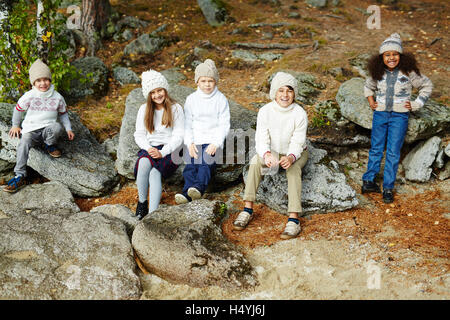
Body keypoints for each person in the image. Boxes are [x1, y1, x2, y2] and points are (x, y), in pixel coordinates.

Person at [233, 72, 308, 240]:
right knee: (255, 162)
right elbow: (261, 138)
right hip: (273, 151)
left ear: (294, 93)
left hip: (296, 152)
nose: (285, 95)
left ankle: (293, 219)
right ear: (274, 92)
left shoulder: (299, 113)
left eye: (289, 90)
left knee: (294, 171)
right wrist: (266, 154)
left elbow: (298, 141)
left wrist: (290, 157)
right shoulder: (265, 111)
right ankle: (247, 209)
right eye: (281, 90)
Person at [362, 33, 433, 203]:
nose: (391, 58)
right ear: (382, 58)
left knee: (393, 151)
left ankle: (387, 187)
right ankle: (368, 181)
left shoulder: (409, 73)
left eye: (395, 54)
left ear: (401, 56)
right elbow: (368, 86)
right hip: (380, 114)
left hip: (399, 116)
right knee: (376, 147)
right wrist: (371, 101)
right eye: (387, 55)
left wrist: (416, 104)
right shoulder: (378, 72)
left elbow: (427, 85)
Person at [3, 59, 74, 193]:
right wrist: (15, 125)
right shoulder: (29, 96)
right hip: (32, 130)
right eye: (38, 80)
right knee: (23, 143)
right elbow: (18, 109)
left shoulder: (57, 97)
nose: (43, 83)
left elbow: (63, 113)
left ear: (50, 80)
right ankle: (20, 175)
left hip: (48, 131)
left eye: (45, 79)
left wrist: (68, 128)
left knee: (56, 127)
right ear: (33, 83)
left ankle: (49, 145)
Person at [174, 59, 230, 204]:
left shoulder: (220, 99)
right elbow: (187, 123)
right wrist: (189, 143)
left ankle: (198, 188)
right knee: (190, 166)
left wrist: (216, 143)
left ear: (215, 81)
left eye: (210, 81)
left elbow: (224, 124)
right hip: (195, 141)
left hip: (212, 142)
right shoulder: (192, 99)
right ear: (197, 82)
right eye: (203, 80)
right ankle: (186, 193)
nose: (207, 84)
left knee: (206, 162)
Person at [133, 69, 184, 219]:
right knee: (143, 163)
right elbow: (139, 134)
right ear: (148, 95)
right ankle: (142, 203)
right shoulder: (144, 109)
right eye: (152, 92)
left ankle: (152, 214)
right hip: (150, 147)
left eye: (160, 90)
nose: (157, 95)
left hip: (171, 149)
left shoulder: (176, 108)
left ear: (165, 90)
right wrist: (149, 148)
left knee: (155, 173)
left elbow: (179, 135)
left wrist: (163, 152)